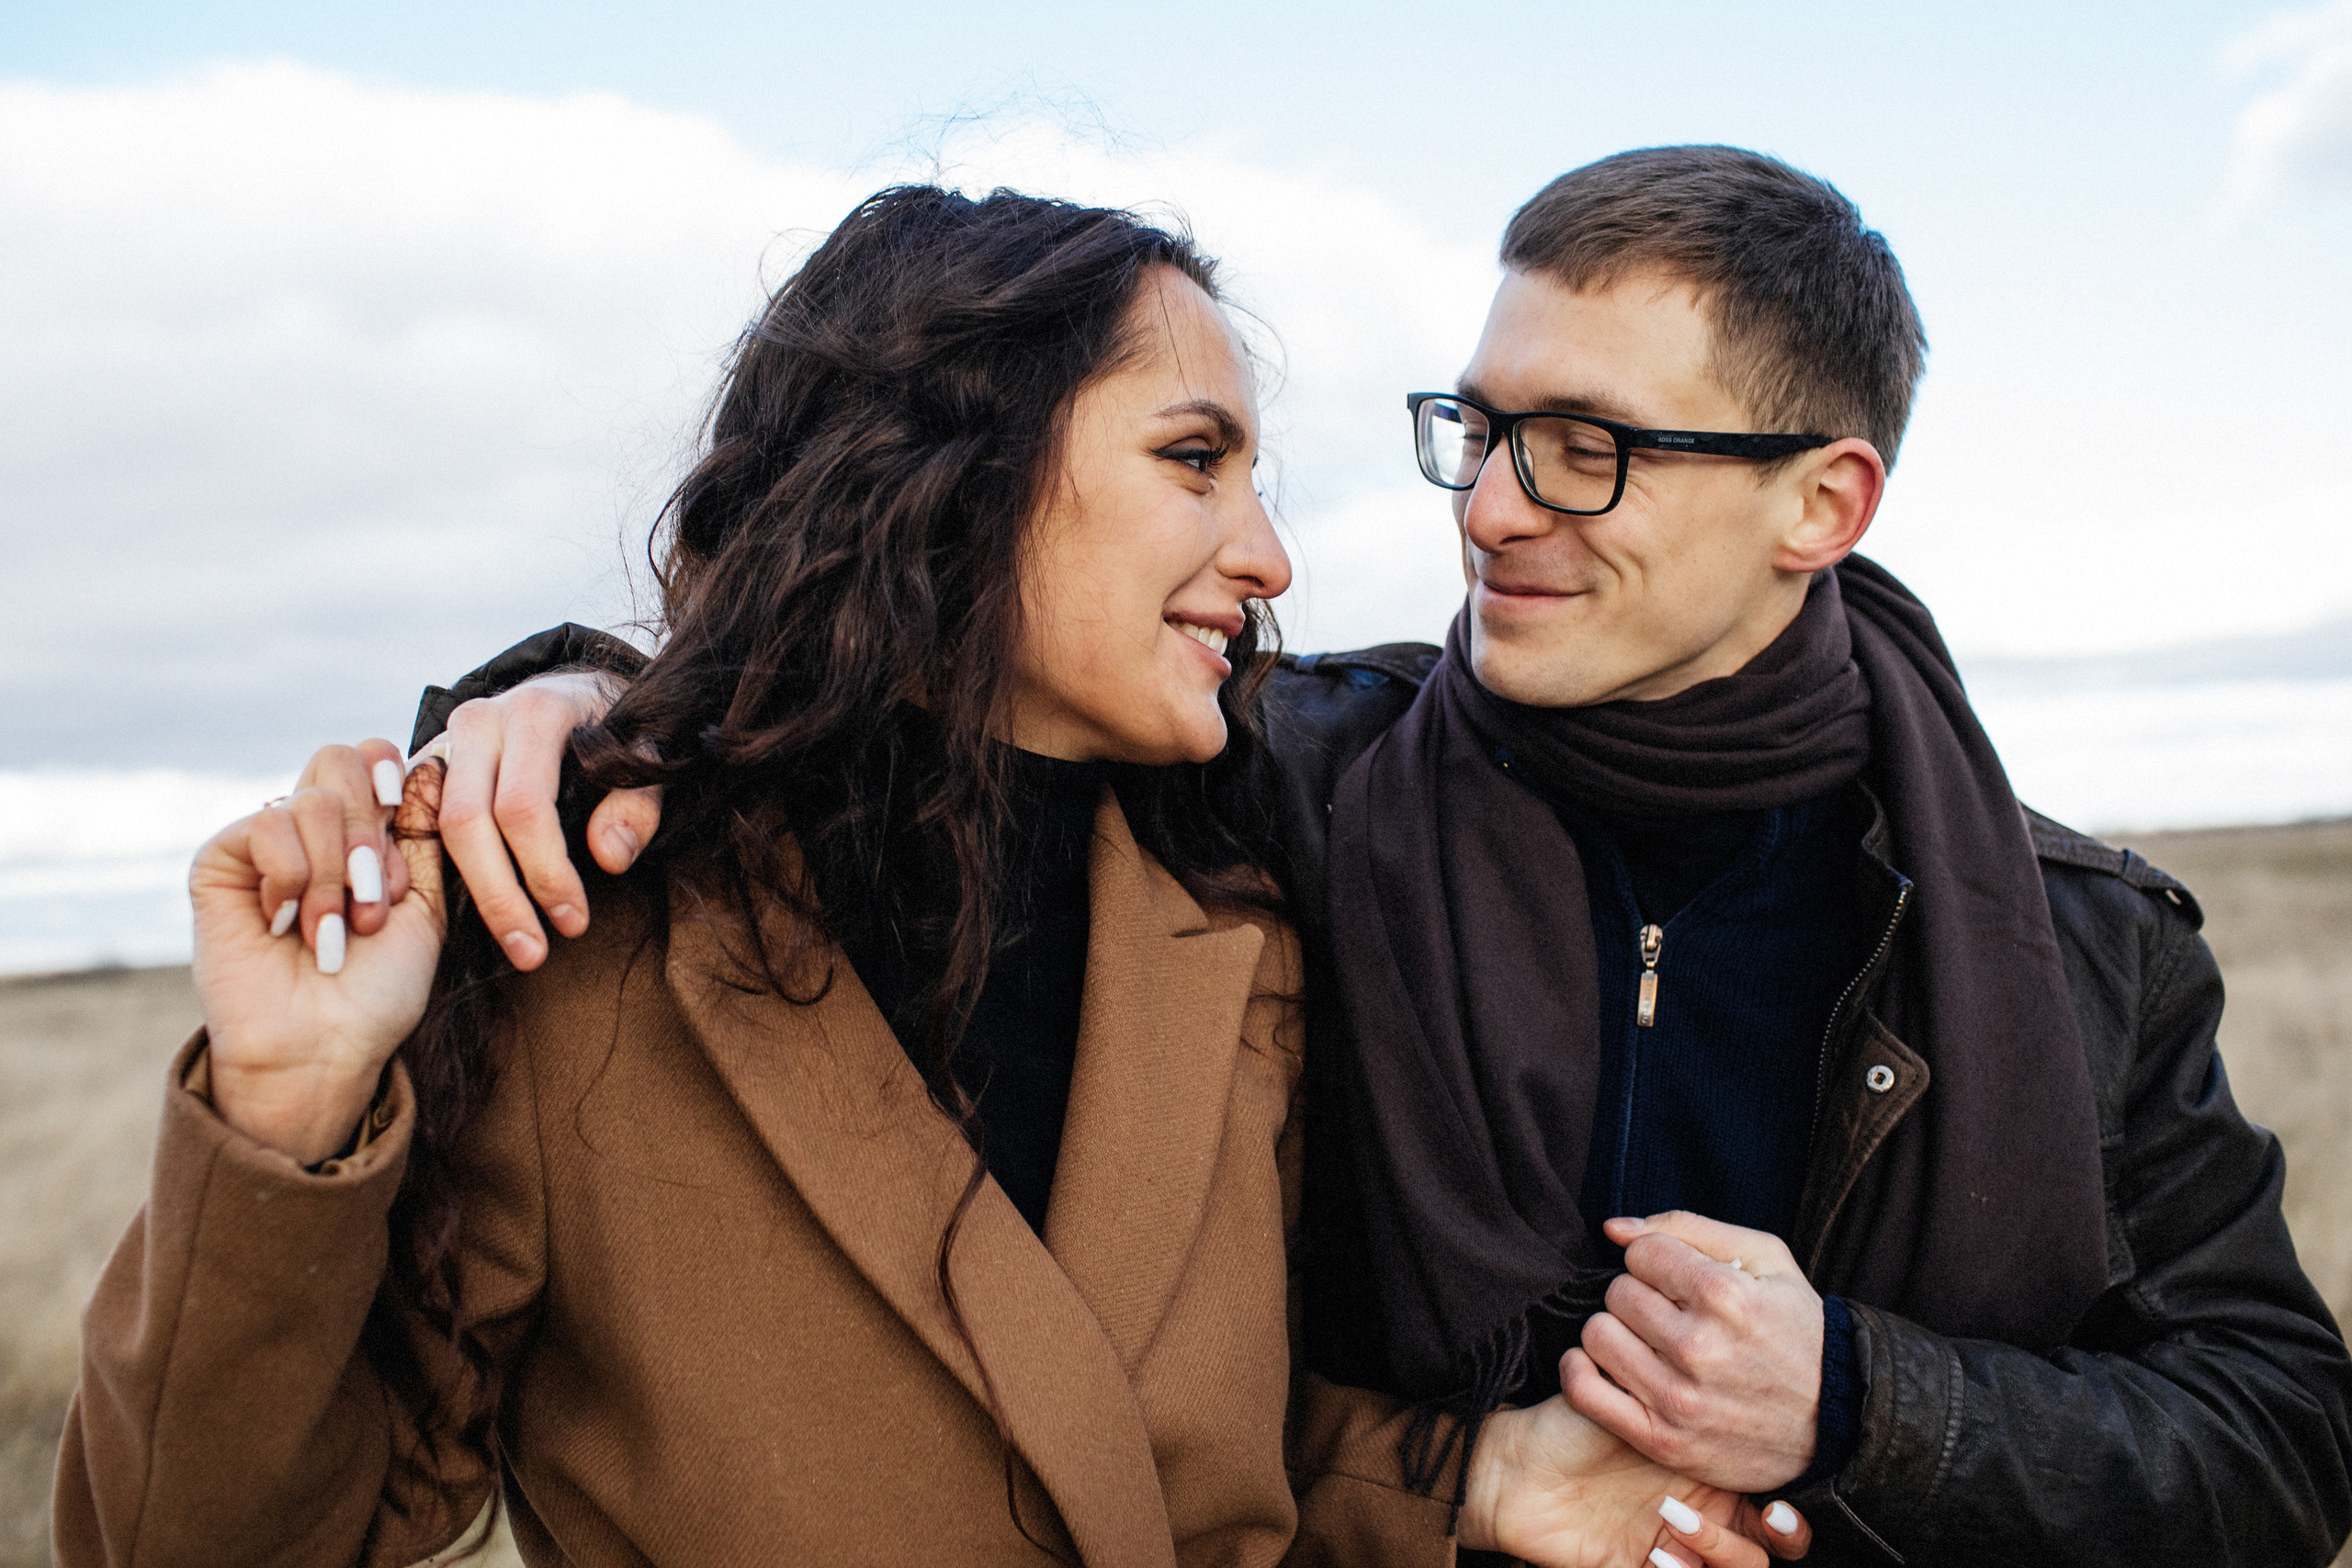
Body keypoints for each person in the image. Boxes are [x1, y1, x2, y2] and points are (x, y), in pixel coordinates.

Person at [432, 149, 2352, 1565]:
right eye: (1483, 428)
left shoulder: (2074, 943)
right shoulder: (1289, 785)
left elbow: (2278, 1444)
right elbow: (905, 678)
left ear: (1817, 501)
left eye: (1587, 446)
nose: (1494, 508)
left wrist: (1857, 1396)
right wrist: (561, 700)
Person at [55, 186, 1806, 1568]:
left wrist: (1480, 1483)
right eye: (1195, 460)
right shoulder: (579, 944)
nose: (1269, 557)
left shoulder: (1244, 931)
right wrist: (286, 1126)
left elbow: (1177, 1477)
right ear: (951, 477)